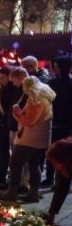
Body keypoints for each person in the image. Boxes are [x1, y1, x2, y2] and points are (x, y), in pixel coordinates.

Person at [0, 77, 56, 202]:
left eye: (24, 87)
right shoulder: (43, 97)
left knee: (15, 163)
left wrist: (17, 113)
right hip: (39, 138)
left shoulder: (37, 100)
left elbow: (28, 121)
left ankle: (12, 192)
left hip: (30, 138)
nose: (23, 90)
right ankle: (33, 193)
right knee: (34, 164)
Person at [43, 55, 72, 186]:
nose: (55, 69)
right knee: (52, 150)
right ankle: (49, 177)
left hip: (67, 123)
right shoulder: (52, 82)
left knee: (64, 154)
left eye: (57, 66)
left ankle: (61, 180)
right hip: (53, 120)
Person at [46, 136, 72, 225]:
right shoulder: (60, 161)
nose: (55, 166)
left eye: (56, 163)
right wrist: (51, 214)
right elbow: (60, 189)